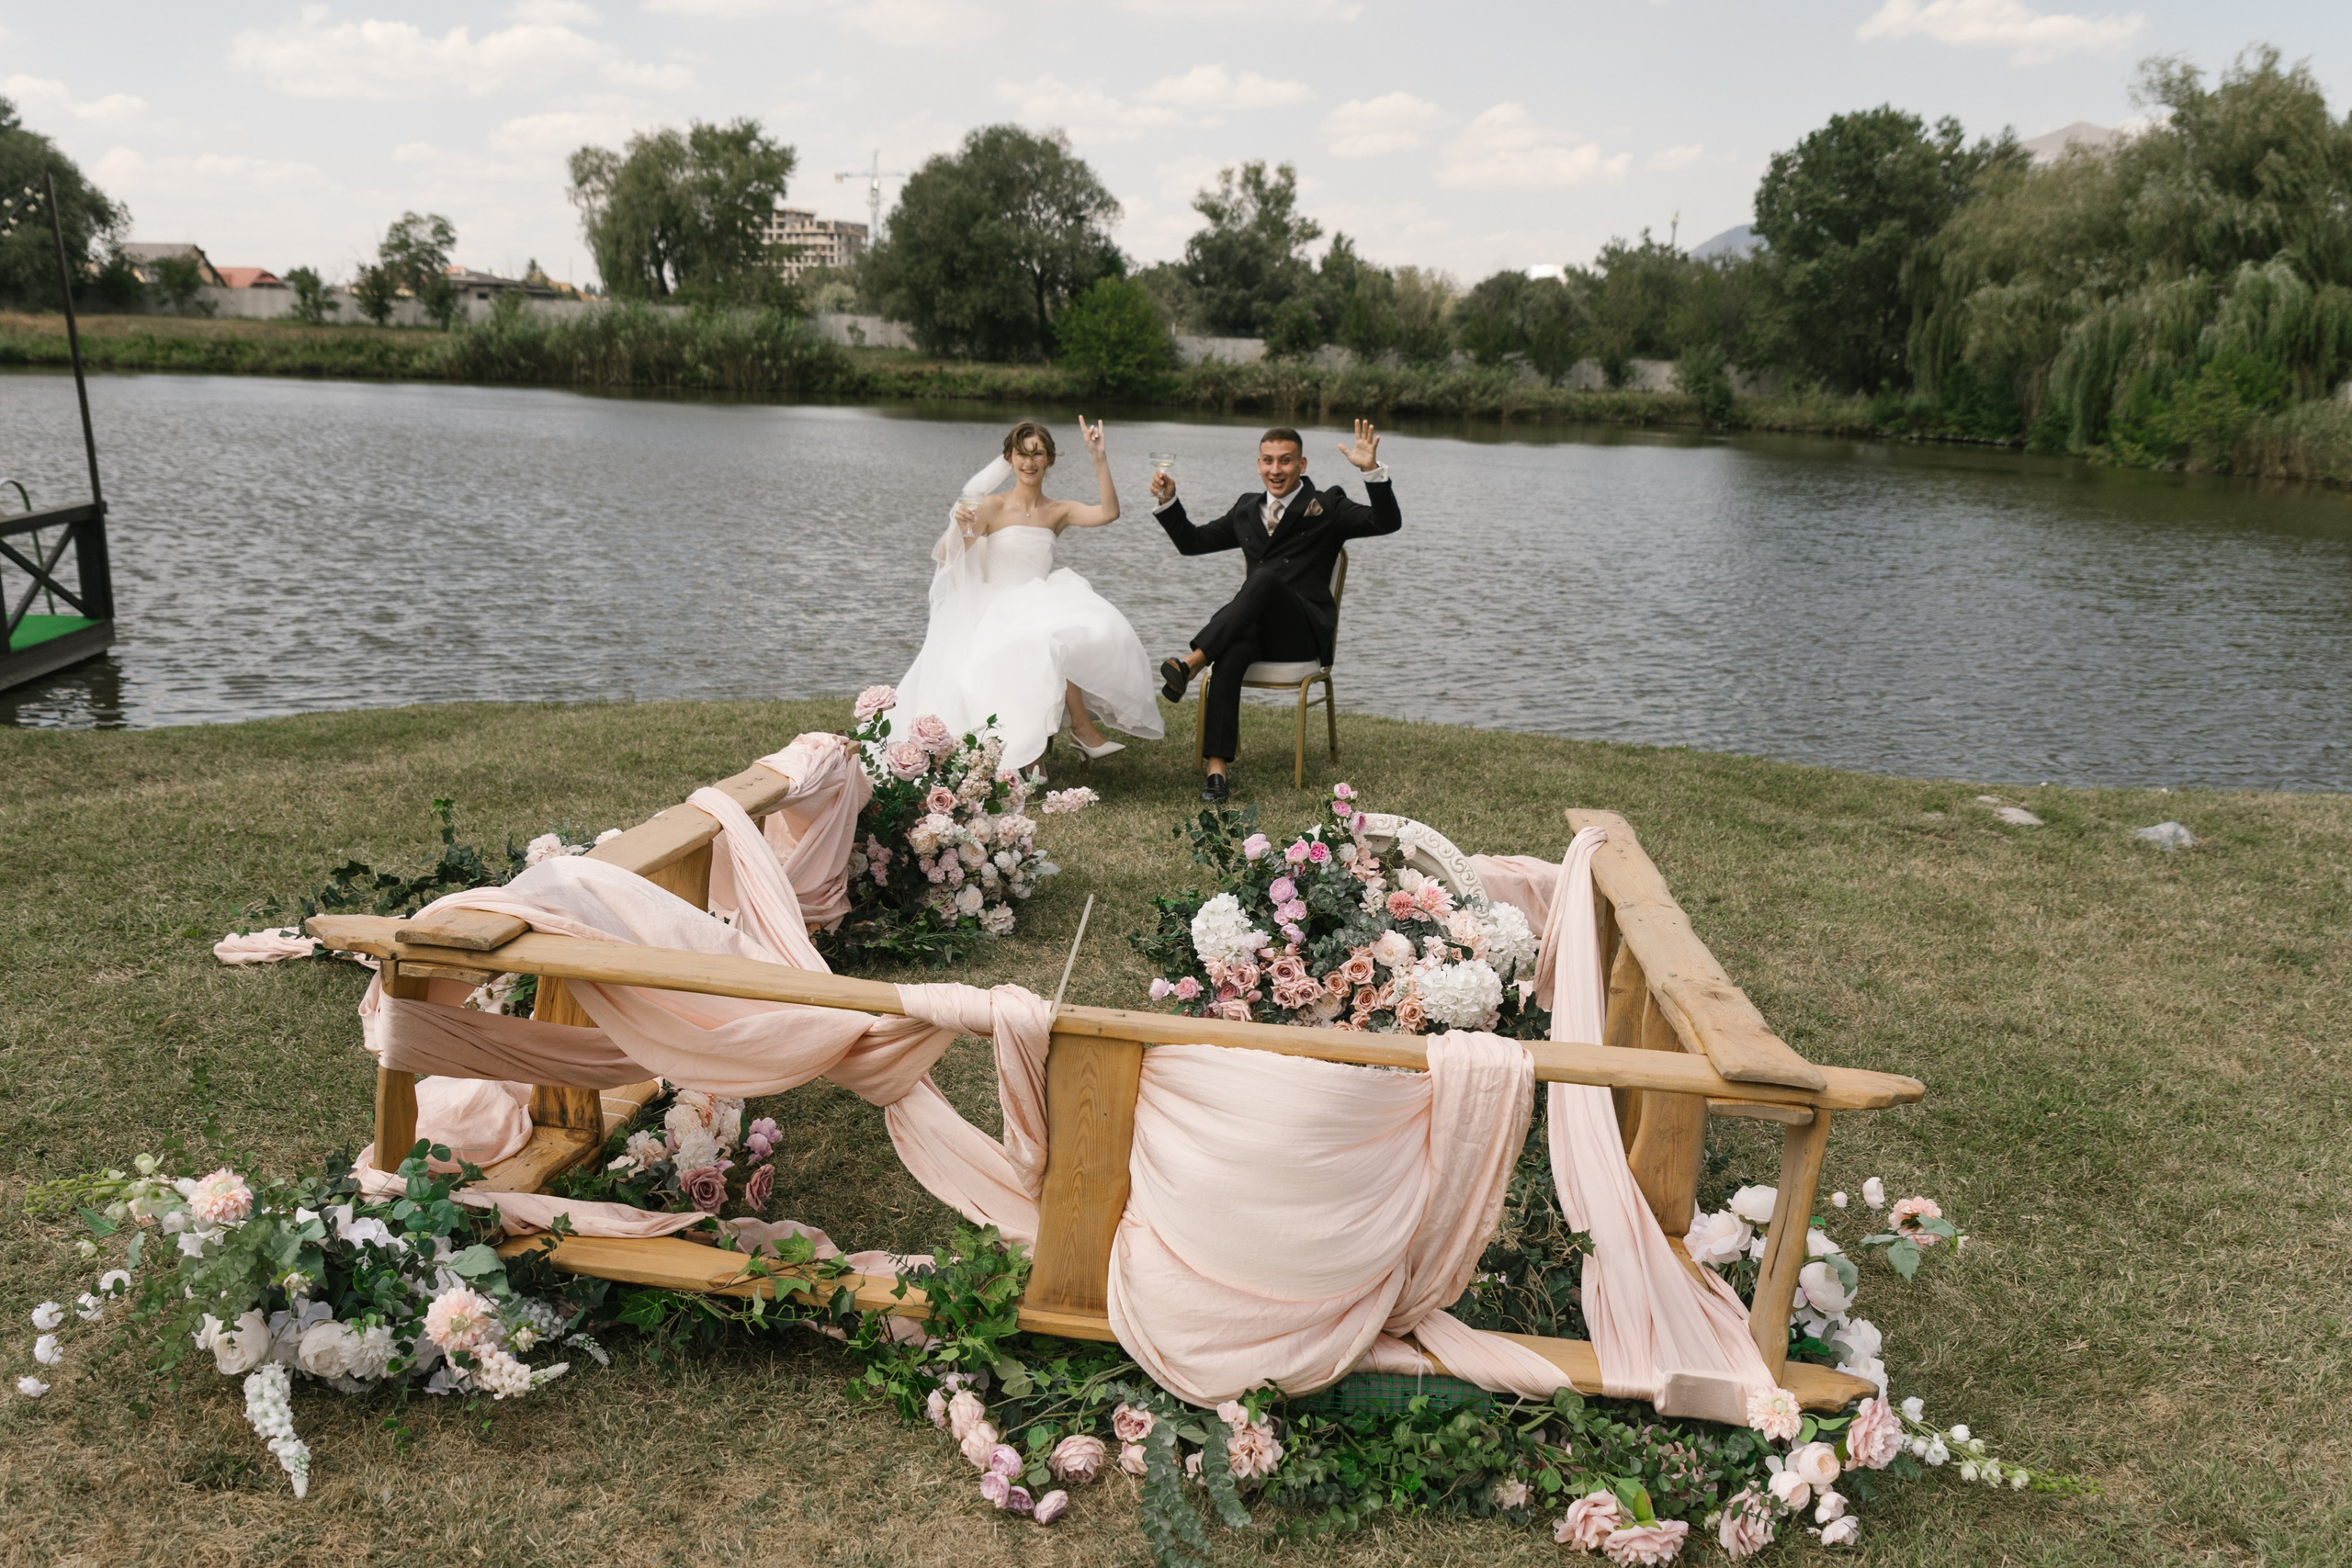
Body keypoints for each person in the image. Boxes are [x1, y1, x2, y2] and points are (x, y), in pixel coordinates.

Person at [890, 418, 1165, 773]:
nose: (1029, 462)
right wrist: (959, 527)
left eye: (1037, 454)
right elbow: (946, 555)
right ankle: (1064, 739)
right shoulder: (992, 506)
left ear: (1049, 459)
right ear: (1009, 459)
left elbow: (1109, 512)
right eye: (1021, 454)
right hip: (997, 605)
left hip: (1041, 601)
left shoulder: (1057, 511)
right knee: (1039, 636)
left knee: (1074, 627)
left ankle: (1067, 738)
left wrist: (1099, 458)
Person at [1151, 420, 1396, 802]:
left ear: (1302, 464)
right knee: (1230, 654)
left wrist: (1370, 471)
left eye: (1285, 461)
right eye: (1268, 461)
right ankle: (1217, 772)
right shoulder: (1247, 508)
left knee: (1263, 578)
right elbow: (1192, 542)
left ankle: (1193, 660)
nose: (1275, 469)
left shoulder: (1327, 505)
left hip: (1302, 633)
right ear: (1258, 463)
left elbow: (1386, 522)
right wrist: (1169, 501)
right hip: (1255, 633)